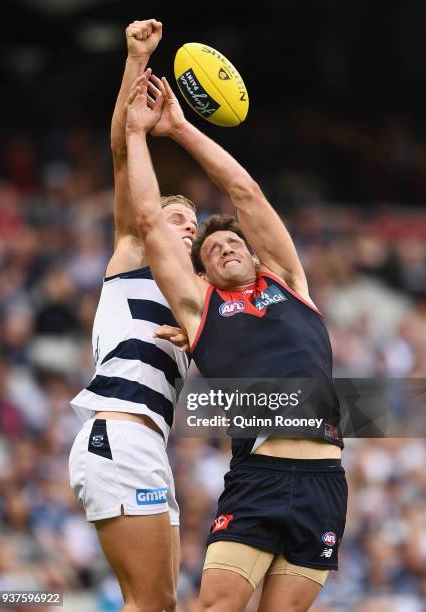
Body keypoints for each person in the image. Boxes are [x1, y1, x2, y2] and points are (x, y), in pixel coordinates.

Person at [125, 71, 348, 612]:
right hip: (259, 474)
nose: (225, 247)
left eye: (233, 242)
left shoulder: (289, 283)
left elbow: (245, 191)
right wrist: (136, 137)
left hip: (325, 479)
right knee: (215, 606)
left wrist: (180, 129)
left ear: (253, 253)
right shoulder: (201, 310)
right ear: (200, 273)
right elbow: (151, 221)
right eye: (211, 250)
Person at [68, 21, 197, 612]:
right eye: (177, 217)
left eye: (194, 224)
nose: (189, 226)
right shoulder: (134, 254)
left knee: (157, 604)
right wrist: (135, 58)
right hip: (120, 434)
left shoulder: (195, 301)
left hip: (148, 445)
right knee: (150, 604)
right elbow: (123, 152)